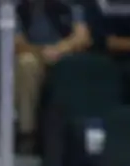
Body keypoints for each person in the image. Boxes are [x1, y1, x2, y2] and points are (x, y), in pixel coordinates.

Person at [15, 0, 94, 149]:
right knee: (26, 64)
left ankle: (76, 131)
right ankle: (27, 131)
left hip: (63, 54)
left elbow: (82, 37)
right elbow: (16, 42)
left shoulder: (71, 5)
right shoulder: (17, 7)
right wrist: (42, 52)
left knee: (79, 64)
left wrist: (60, 49)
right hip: (32, 54)